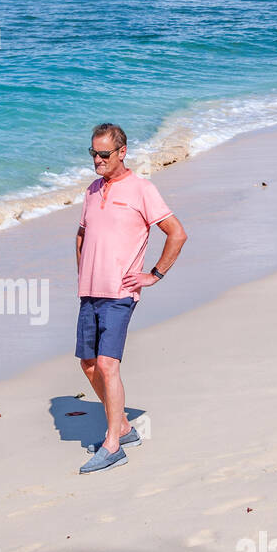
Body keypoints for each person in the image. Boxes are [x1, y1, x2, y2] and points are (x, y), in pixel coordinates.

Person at [75, 123, 187, 474]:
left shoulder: (142, 189)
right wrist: (84, 272)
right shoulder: (93, 190)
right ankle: (122, 425)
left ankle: (113, 445)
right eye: (93, 153)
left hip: (120, 293)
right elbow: (81, 235)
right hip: (89, 292)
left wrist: (154, 274)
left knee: (108, 365)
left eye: (104, 154)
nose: (97, 160)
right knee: (89, 365)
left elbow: (177, 234)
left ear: (122, 153)